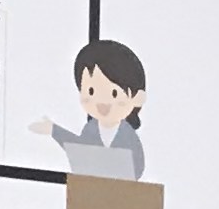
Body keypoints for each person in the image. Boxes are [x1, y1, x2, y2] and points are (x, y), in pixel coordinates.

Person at [31, 38, 148, 180]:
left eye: (114, 94)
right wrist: (53, 130)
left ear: (137, 98)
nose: (102, 103)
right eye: (91, 92)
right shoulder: (91, 128)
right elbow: (78, 148)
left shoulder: (127, 134)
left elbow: (138, 167)